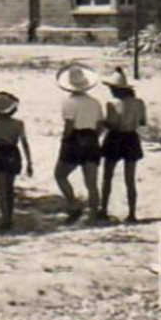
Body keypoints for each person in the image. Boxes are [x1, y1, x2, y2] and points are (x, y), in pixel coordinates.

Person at [53, 62, 104, 223]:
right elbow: (100, 125)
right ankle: (94, 213)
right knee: (91, 182)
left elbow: (69, 125)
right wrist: (94, 136)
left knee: (60, 175)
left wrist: (65, 139)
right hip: (91, 138)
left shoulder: (68, 102)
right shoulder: (95, 102)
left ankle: (73, 204)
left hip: (75, 139)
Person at [0, 91, 33, 233]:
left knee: (2, 189)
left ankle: (4, 218)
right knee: (10, 188)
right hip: (13, 152)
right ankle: (9, 216)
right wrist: (29, 162)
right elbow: (24, 143)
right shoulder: (18, 124)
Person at [100, 68, 146, 223]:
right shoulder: (139, 103)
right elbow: (143, 122)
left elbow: (112, 124)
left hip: (115, 138)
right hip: (132, 138)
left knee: (107, 176)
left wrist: (102, 123)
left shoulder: (112, 104)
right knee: (130, 179)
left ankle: (103, 209)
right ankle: (132, 213)